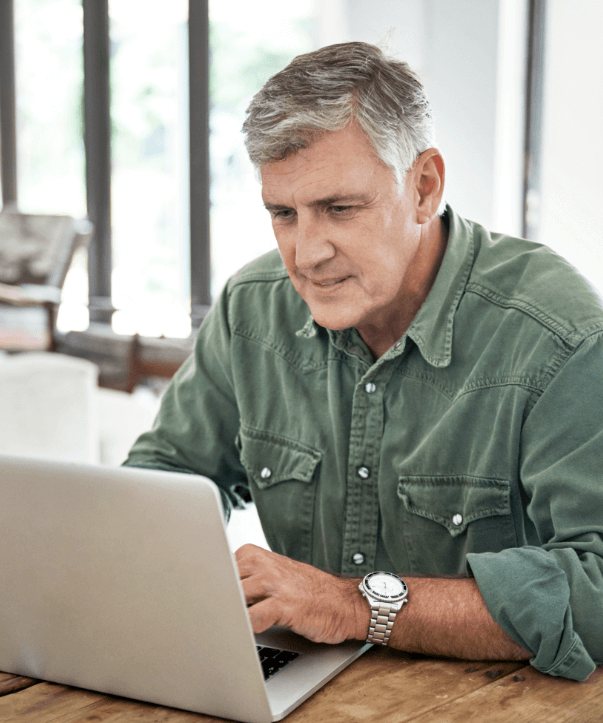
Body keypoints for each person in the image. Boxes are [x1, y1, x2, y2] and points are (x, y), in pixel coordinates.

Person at [125, 42, 602, 681]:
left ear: (424, 186)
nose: (306, 253)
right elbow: (165, 477)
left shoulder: (557, 334)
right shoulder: (252, 308)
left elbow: (597, 589)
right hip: (297, 686)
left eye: (340, 209)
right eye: (283, 214)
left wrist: (355, 606)